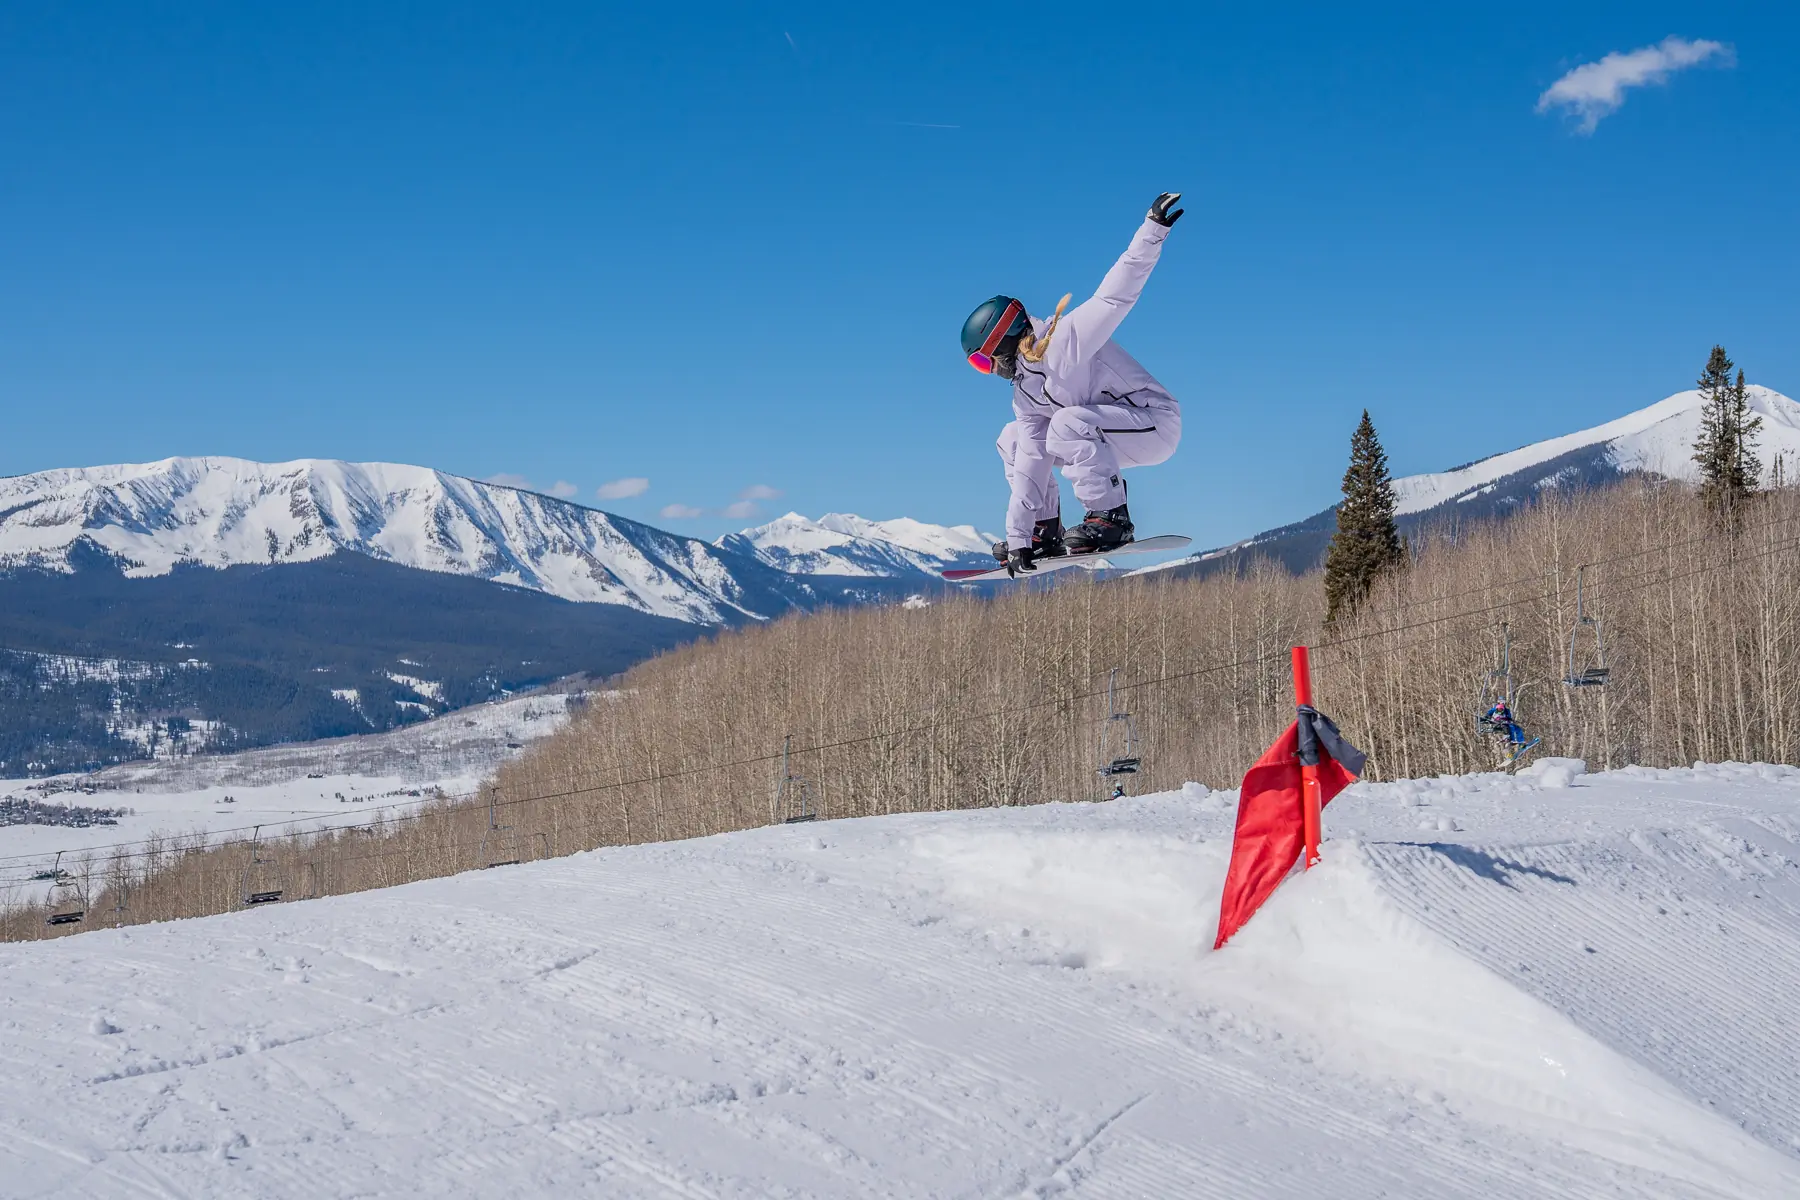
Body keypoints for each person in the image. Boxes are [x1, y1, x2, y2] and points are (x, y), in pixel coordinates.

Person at [961, 193, 1185, 576]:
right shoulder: (1025, 394)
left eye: (984, 361)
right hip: (1102, 436)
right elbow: (1032, 464)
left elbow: (1116, 295)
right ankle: (1042, 530)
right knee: (1013, 439)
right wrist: (1018, 536)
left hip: (1153, 423)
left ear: (1002, 341)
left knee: (1066, 423)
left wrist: (1152, 230)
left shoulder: (1066, 339)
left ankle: (1111, 517)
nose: (988, 371)